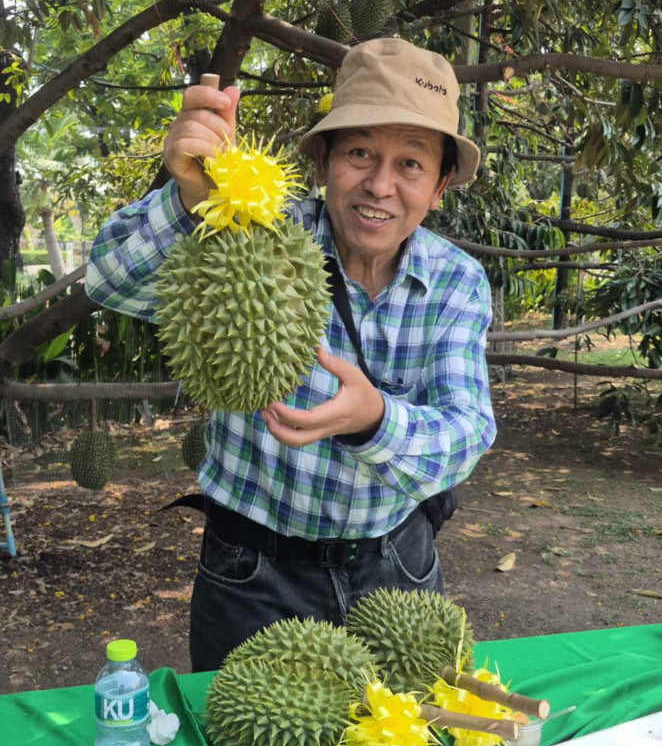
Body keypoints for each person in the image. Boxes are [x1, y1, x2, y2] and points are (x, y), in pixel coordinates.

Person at [85, 36, 496, 671]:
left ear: (440, 186)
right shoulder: (255, 233)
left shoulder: (456, 282)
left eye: (411, 164)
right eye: (359, 153)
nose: (380, 185)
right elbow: (108, 277)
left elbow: (467, 433)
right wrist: (191, 198)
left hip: (395, 572)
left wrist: (374, 420)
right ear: (325, 161)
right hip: (252, 572)